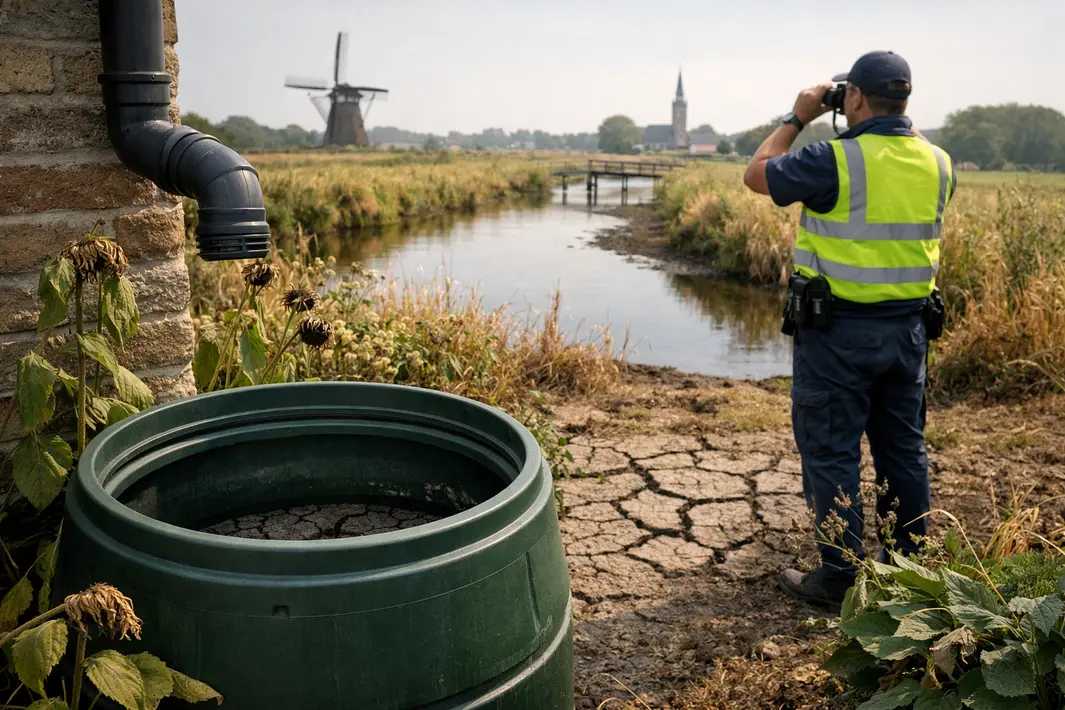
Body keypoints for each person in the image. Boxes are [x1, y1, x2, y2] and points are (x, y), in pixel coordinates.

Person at [741, 51, 957, 609]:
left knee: (832, 451)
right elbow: (901, 151)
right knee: (903, 450)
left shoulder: (833, 159)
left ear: (853, 97)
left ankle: (840, 577)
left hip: (837, 336)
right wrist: (892, 117)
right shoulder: (939, 162)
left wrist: (798, 115)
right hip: (907, 334)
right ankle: (909, 566)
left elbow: (757, 174)